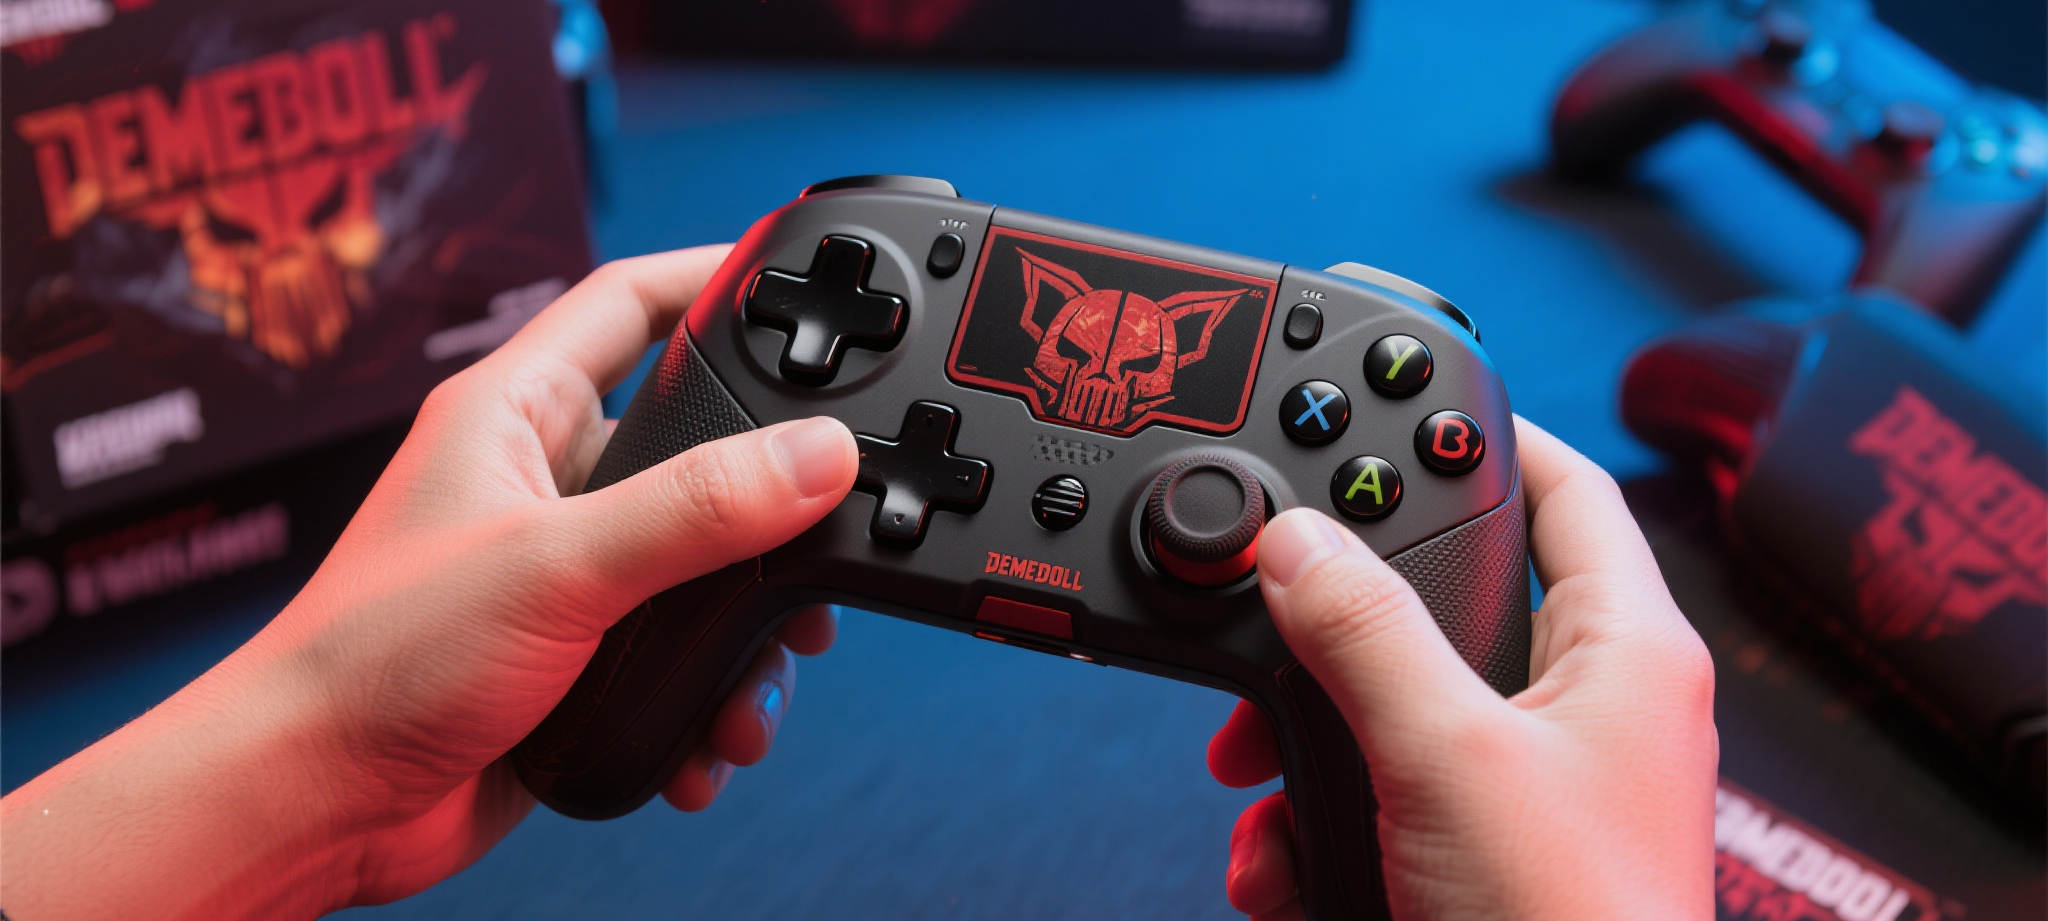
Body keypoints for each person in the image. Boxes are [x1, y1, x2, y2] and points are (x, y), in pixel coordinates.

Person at [0, 246, 1718, 920]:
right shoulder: (820, 290)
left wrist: (309, 762)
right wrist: (322, 761)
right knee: (595, 737)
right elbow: (581, 754)